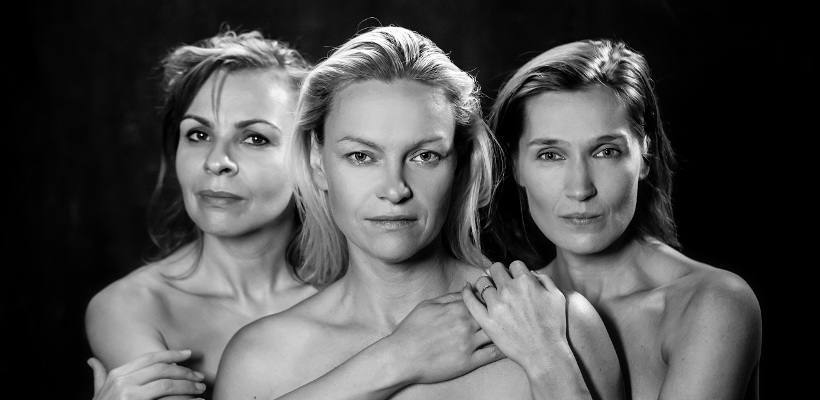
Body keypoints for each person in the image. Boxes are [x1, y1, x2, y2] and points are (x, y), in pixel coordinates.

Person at [213, 26, 623, 400]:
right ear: (318, 164)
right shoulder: (259, 360)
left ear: (460, 165)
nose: (395, 189)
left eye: (425, 156)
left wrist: (550, 364)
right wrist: (398, 358)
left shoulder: (561, 327)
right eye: (361, 156)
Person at [485, 38, 762, 400]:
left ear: (644, 155)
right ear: (516, 166)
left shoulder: (714, 304)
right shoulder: (510, 309)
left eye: (605, 151)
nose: (580, 188)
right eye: (551, 155)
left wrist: (548, 360)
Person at [84, 29, 317, 400]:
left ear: (311, 158)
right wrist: (393, 362)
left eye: (255, 138)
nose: (216, 161)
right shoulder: (131, 307)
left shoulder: (357, 291)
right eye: (198, 135)